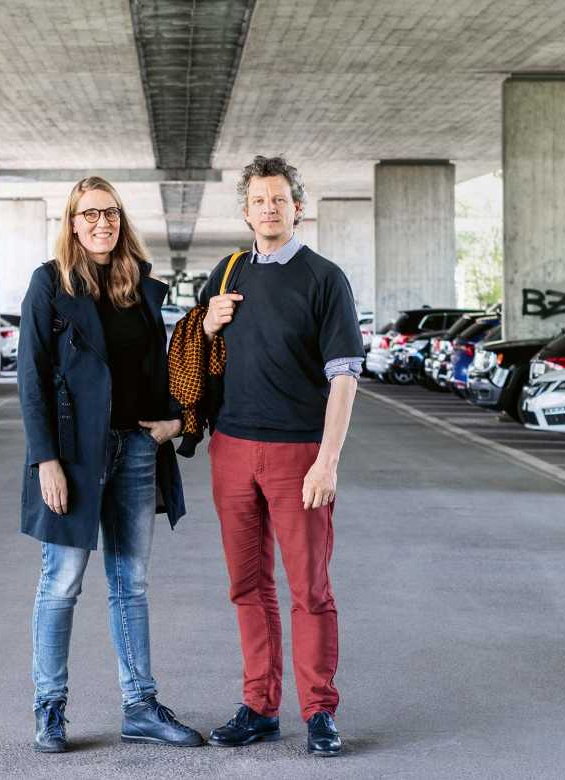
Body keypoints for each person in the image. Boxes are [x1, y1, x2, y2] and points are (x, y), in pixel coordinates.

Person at [16, 175, 201, 753]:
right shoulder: (49, 285)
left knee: (132, 583)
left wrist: (178, 420)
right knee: (62, 582)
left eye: (111, 212)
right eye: (90, 213)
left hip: (138, 447)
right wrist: (46, 459)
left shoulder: (141, 287)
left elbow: (162, 367)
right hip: (73, 455)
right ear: (71, 223)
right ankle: (50, 709)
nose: (102, 222)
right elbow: (31, 378)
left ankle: (140, 706)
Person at [200, 155, 362, 757]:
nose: (269, 208)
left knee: (309, 589)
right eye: (258, 200)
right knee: (247, 586)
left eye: (279, 199)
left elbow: (344, 377)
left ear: (298, 207)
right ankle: (259, 705)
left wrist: (329, 459)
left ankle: (319, 710)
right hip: (232, 448)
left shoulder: (325, 279)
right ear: (245, 211)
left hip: (299, 452)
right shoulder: (225, 273)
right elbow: (197, 355)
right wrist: (208, 327)